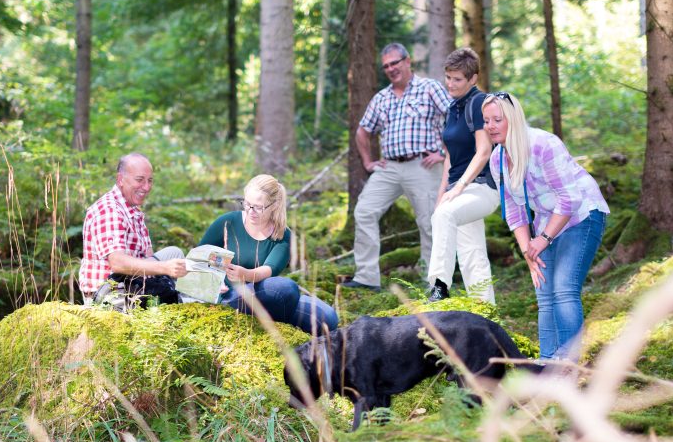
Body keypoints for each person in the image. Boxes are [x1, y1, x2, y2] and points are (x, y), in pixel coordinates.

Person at [483, 92, 609, 360]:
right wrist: (528, 252)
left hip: (581, 215)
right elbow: (515, 211)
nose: (491, 126)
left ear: (513, 119)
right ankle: (547, 362)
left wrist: (543, 240)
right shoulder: (497, 160)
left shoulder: (543, 144)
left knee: (564, 288)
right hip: (546, 222)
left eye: (497, 119)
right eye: (486, 121)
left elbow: (570, 199)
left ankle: (569, 364)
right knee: (544, 292)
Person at [344, 42, 450, 291]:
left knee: (430, 222)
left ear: (407, 61)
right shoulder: (381, 98)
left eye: (395, 63)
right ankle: (367, 277)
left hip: (423, 165)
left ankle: (434, 283)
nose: (391, 69)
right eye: (386, 66)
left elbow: (453, 117)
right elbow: (362, 131)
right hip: (389, 167)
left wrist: (443, 153)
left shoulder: (429, 88)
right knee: (364, 211)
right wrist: (368, 161)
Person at [199, 174, 339, 334]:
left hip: (263, 293)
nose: (251, 211)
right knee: (285, 288)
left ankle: (276, 317)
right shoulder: (228, 222)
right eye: (247, 204)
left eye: (258, 207)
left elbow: (268, 269)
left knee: (328, 318)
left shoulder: (283, 235)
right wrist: (215, 282)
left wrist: (246, 274)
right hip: (228, 295)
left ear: (274, 205)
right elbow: (199, 257)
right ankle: (275, 323)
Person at [426, 47, 499, 303]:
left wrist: (459, 188)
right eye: (448, 77)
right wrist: (443, 194)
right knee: (472, 254)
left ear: (473, 78)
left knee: (446, 215)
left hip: (482, 187)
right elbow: (450, 158)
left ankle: (439, 286)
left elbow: (484, 151)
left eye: (457, 79)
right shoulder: (453, 108)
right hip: (459, 190)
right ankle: (485, 310)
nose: (450, 83)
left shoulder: (479, 103)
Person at [79, 153, 187, 306]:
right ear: (120, 179)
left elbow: (147, 255)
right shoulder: (110, 210)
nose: (147, 187)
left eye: (150, 180)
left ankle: (190, 297)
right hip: (109, 293)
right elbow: (117, 263)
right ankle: (183, 302)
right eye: (140, 180)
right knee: (171, 273)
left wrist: (165, 271)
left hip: (132, 281)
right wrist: (165, 268)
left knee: (175, 253)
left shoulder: (132, 209)